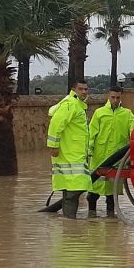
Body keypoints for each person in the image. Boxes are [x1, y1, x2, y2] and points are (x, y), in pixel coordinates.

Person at [87, 86, 134, 217]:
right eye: (113, 97)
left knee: (111, 194)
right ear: (108, 97)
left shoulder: (127, 114)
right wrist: (88, 151)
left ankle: (111, 219)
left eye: (118, 98)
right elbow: (91, 134)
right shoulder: (99, 113)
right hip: (99, 157)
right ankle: (91, 217)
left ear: (121, 98)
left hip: (116, 160)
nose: (115, 100)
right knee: (93, 191)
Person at [46, 80, 90, 218]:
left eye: (86, 89)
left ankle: (69, 225)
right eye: (81, 89)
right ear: (73, 89)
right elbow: (56, 124)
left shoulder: (77, 105)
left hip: (74, 154)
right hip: (69, 155)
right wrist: (53, 146)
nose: (84, 92)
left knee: (71, 190)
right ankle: (70, 224)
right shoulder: (71, 104)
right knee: (74, 190)